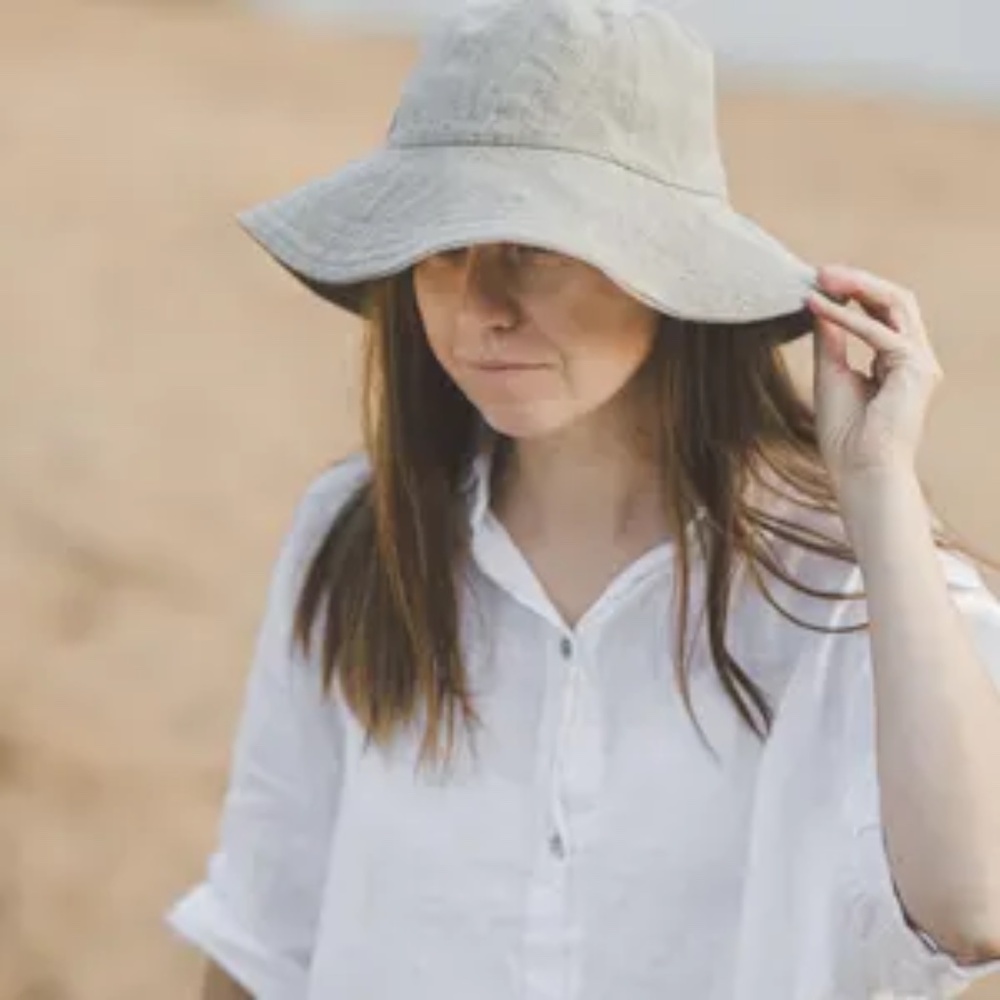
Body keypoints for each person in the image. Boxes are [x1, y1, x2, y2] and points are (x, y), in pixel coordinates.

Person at [165, 0, 1000, 997]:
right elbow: (263, 933)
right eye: (442, 248)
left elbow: (973, 905)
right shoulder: (357, 535)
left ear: (666, 270)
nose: (482, 306)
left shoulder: (851, 585)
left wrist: (877, 486)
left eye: (536, 246)